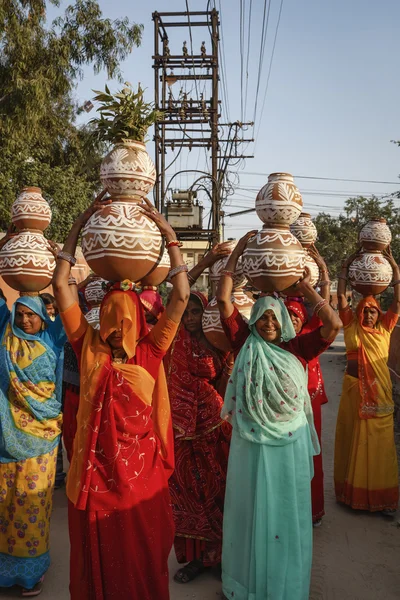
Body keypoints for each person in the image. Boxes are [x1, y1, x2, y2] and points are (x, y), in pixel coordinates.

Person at [52, 193, 190, 600]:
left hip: (140, 482)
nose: (117, 328)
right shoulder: (86, 345)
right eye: (110, 319)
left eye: (125, 320)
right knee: (99, 564)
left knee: (139, 560)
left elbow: (180, 297)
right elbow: (61, 284)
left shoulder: (151, 351)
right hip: (96, 479)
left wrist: (170, 237)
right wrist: (78, 225)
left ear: (136, 321)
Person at [216, 231, 341, 600]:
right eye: (263, 317)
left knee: (284, 514)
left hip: (288, 445)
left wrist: (305, 286)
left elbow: (333, 326)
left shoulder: (297, 347)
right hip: (251, 443)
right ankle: (247, 582)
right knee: (251, 510)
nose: (269, 323)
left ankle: (283, 586)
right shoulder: (244, 340)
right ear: (254, 319)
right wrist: (238, 252)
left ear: (284, 321)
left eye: (275, 318)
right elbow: (224, 299)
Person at [0, 230, 66, 597]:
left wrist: (60, 261)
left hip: (42, 437)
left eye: (31, 315)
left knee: (32, 506)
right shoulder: (4, 338)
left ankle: (32, 573)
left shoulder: (54, 339)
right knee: (5, 504)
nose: (25, 321)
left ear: (43, 317)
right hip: (5, 438)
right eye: (20, 315)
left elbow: (64, 300)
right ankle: (5, 570)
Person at [165, 280, 233, 584]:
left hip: (213, 426)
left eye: (196, 312)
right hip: (181, 430)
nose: (190, 317)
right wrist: (203, 264)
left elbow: (225, 382)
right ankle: (194, 559)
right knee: (187, 496)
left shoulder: (217, 342)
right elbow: (173, 295)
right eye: (187, 312)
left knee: (219, 492)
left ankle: (221, 557)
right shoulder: (172, 340)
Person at [334, 247, 400, 513]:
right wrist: (346, 267)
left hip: (380, 396)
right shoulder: (351, 326)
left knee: (380, 446)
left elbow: (397, 302)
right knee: (353, 441)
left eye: (373, 311)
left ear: (379, 314)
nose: (369, 315)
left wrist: (394, 266)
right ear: (359, 312)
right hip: (353, 392)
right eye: (366, 311)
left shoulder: (385, 329)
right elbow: (340, 297)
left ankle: (381, 499)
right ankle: (351, 495)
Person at [284, 244, 330, 526]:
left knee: (311, 453)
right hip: (286, 401)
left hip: (310, 397)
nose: (291, 321)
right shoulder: (281, 341)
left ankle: (312, 511)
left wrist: (321, 271)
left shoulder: (312, 333)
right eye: (286, 316)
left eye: (295, 316)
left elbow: (327, 310)